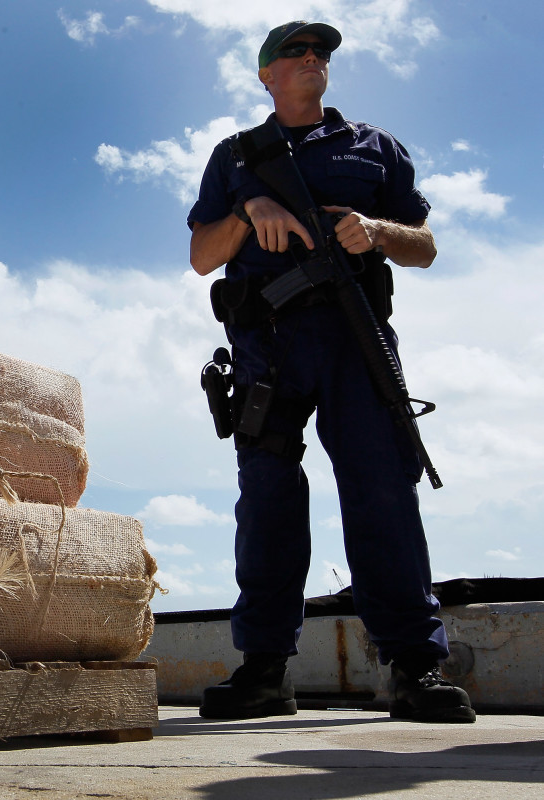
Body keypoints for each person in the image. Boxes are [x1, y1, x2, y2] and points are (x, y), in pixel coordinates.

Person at [187, 21, 475, 723]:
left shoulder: (376, 148)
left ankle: (412, 668)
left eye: (320, 53)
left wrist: (379, 233)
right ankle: (262, 671)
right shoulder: (234, 156)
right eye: (295, 52)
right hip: (267, 345)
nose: (312, 59)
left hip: (356, 339)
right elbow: (202, 254)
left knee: (382, 492)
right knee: (267, 500)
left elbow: (425, 246)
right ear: (266, 76)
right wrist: (249, 210)